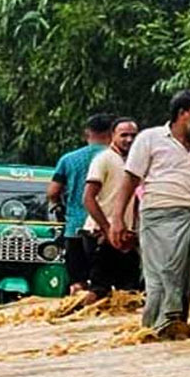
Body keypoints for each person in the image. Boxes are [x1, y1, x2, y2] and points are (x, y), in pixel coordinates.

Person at [109, 90, 190, 337]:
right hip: (160, 212)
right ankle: (164, 322)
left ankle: (166, 327)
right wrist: (118, 220)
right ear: (182, 114)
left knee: (185, 277)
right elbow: (130, 179)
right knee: (165, 270)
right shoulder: (150, 138)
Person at [47, 113, 115, 293]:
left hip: (74, 228)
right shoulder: (116, 159)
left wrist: (60, 207)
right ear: (111, 133)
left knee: (78, 281)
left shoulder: (68, 159)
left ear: (87, 133)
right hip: (106, 228)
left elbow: (53, 192)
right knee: (107, 284)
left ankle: (78, 313)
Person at [81, 117, 141, 303]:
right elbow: (88, 198)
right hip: (100, 233)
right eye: (124, 135)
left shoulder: (136, 162)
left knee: (129, 293)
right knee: (99, 291)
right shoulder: (104, 159)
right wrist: (107, 229)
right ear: (112, 136)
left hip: (126, 236)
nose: (129, 140)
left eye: (133, 136)